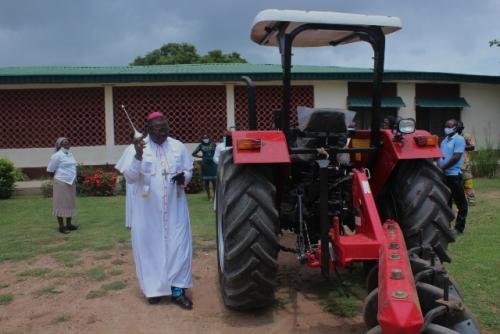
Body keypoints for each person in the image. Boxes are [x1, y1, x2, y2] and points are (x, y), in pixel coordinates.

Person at [116, 112, 194, 308]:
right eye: (158, 130)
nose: (163, 133)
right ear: (149, 129)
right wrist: (138, 155)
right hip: (147, 211)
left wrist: (185, 177)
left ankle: (178, 291)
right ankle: (153, 290)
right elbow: (131, 177)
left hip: (176, 208)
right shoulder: (137, 148)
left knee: (179, 247)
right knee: (149, 249)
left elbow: (189, 169)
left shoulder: (177, 146)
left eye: (165, 128)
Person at [438, 119, 468, 235]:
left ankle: (458, 229)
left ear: (455, 128)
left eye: (449, 126)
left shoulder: (459, 139)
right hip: (444, 176)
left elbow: (456, 157)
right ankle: (446, 226)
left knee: (462, 204)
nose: (446, 128)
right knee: (447, 203)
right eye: (445, 125)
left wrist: (442, 168)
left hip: (454, 175)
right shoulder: (445, 140)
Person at [47, 137, 79, 234]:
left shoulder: (70, 154)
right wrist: (59, 178)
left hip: (71, 182)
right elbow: (50, 170)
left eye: (68, 143)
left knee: (70, 203)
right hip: (61, 182)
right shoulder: (57, 156)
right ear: (59, 145)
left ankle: (69, 224)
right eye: (64, 143)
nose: (67, 145)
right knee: (60, 204)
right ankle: (61, 227)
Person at [457, 121, 477, 206]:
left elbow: (472, 146)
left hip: (465, 164)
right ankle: (457, 199)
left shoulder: (466, 136)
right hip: (454, 164)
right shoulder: (451, 137)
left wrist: (461, 145)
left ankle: (471, 200)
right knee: (457, 183)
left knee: (468, 182)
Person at [192, 133, 216, 201]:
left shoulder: (213, 144)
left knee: (214, 181)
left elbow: (217, 152)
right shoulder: (200, 145)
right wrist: (202, 157)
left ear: (209, 138)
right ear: (202, 139)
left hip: (213, 163)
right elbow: (193, 153)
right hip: (205, 164)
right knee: (206, 181)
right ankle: (209, 197)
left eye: (207, 138)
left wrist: (215, 158)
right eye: (204, 138)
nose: (206, 139)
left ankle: (215, 196)